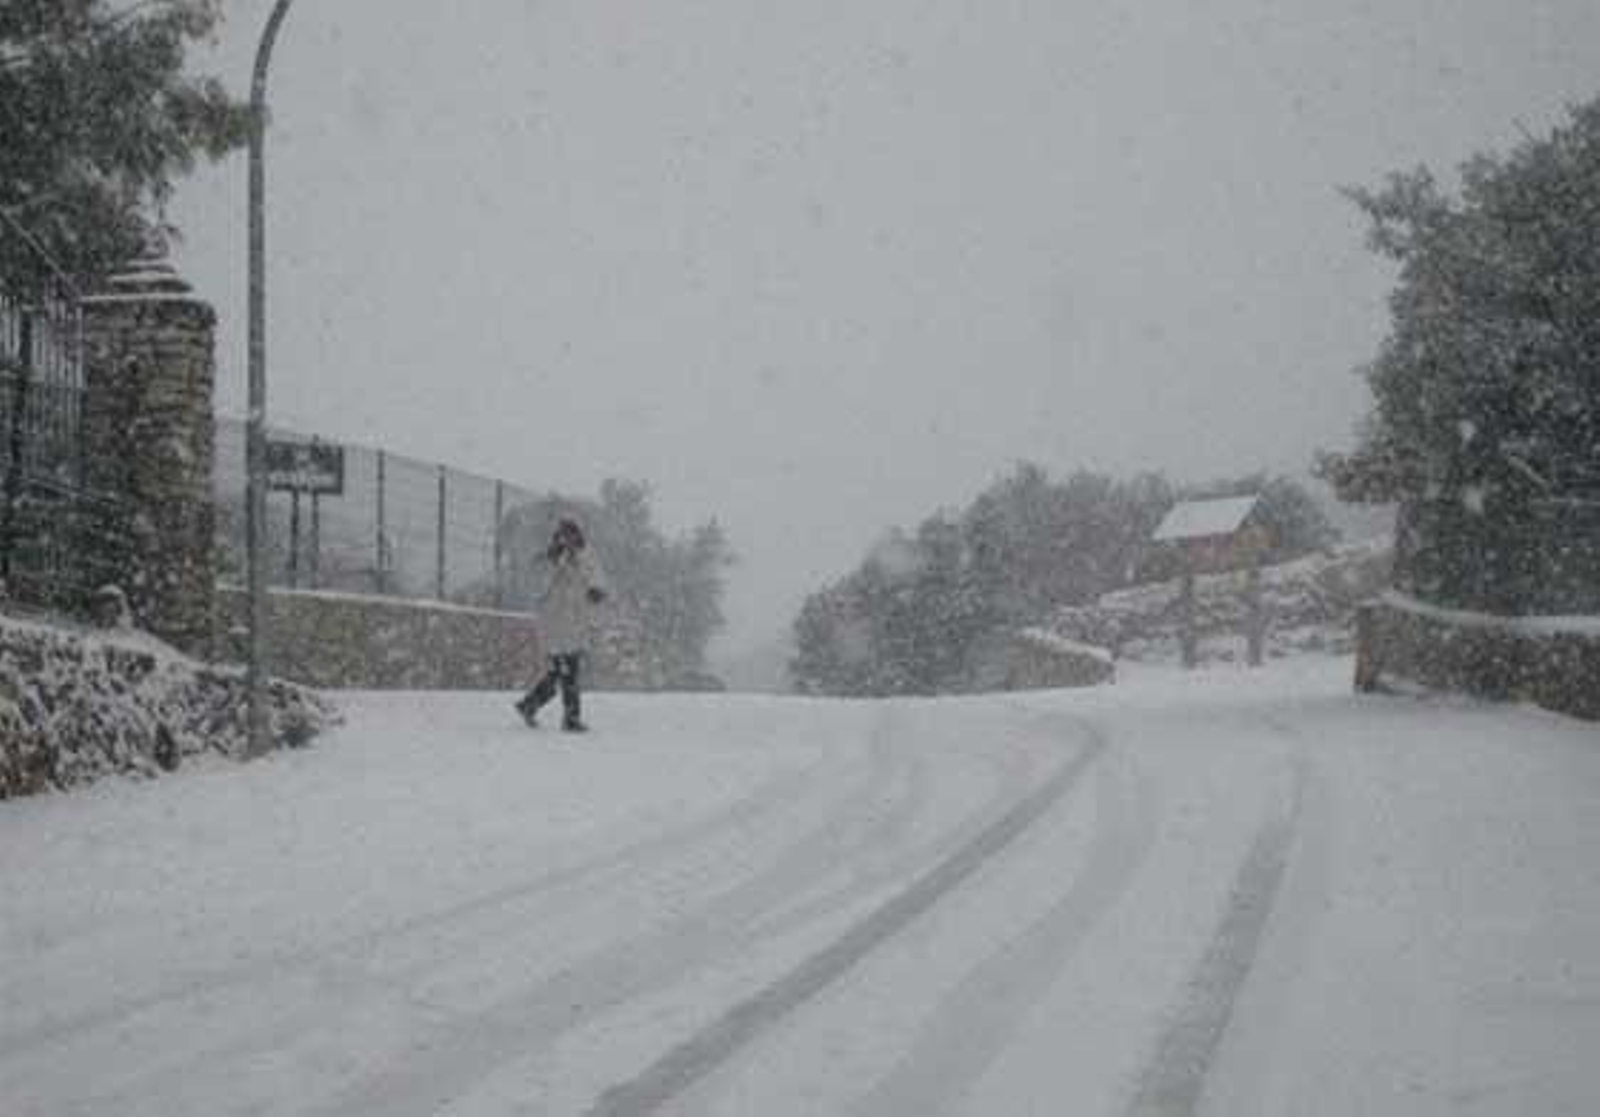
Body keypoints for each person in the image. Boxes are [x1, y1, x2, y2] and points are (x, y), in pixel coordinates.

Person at [515, 518, 607, 732]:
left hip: (575, 624)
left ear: (578, 535)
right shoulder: (549, 559)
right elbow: (538, 587)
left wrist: (596, 590)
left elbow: (597, 579)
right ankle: (569, 718)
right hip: (555, 624)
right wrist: (554, 560)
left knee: (559, 672)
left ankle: (530, 705)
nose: (568, 540)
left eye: (571, 535)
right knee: (568, 671)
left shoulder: (587, 556)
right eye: (563, 536)